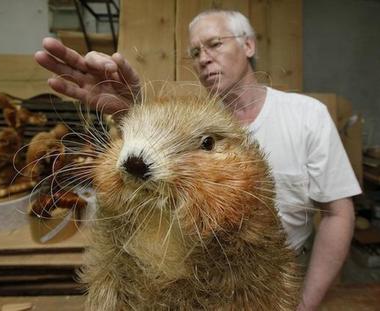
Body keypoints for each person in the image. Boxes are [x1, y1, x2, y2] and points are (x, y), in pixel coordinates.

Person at [35, 9, 361, 311]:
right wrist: (130, 114)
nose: (204, 58)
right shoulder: (181, 114)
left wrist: (303, 303)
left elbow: (337, 214)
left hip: (265, 282)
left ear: (248, 45)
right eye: (194, 52)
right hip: (181, 284)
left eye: (214, 44)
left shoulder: (306, 116)